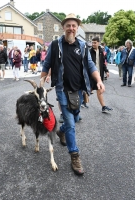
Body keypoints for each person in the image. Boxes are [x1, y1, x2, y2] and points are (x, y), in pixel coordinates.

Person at [42, 13, 104, 176]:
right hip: (62, 89)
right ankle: (75, 156)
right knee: (70, 122)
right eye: (68, 25)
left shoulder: (83, 46)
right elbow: (47, 64)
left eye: (74, 26)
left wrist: (98, 80)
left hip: (78, 90)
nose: (71, 28)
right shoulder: (55, 45)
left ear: (77, 28)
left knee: (75, 118)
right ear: (63, 27)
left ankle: (61, 131)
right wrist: (41, 83)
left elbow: (90, 65)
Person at [89, 37, 113, 113]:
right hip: (91, 75)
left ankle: (103, 107)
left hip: (99, 74)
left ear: (98, 43)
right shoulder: (89, 51)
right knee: (88, 90)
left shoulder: (101, 51)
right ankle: (79, 104)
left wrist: (106, 71)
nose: (93, 44)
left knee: (99, 90)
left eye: (95, 42)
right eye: (92, 42)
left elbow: (103, 63)